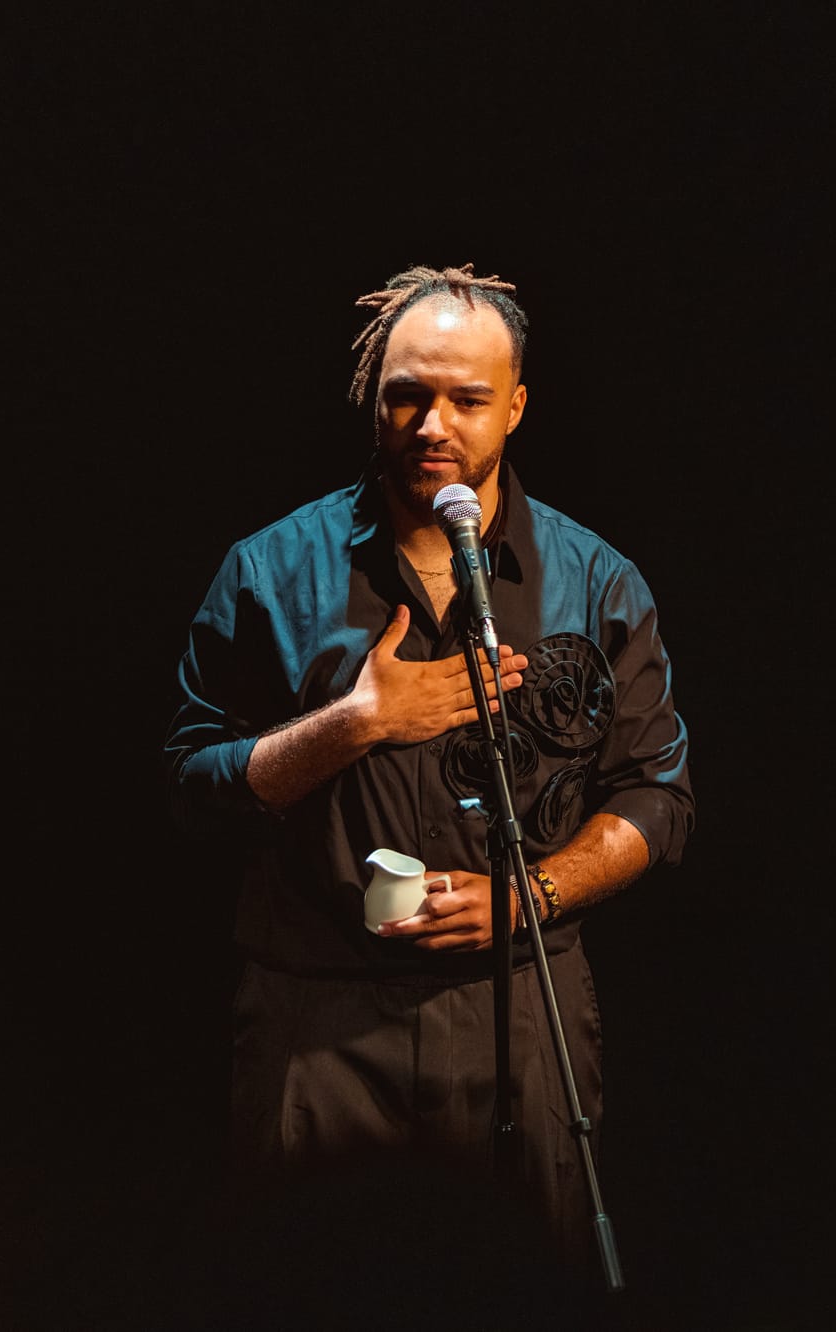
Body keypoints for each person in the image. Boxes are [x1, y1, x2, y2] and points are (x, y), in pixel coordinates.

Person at [164, 263, 693, 1261]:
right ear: (373, 396)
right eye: (406, 395)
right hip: (317, 1016)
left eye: (466, 400)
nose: (431, 425)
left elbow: (657, 797)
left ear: (516, 408)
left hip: (518, 1012)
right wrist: (354, 723)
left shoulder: (597, 581)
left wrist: (527, 895)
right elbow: (191, 787)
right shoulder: (269, 570)